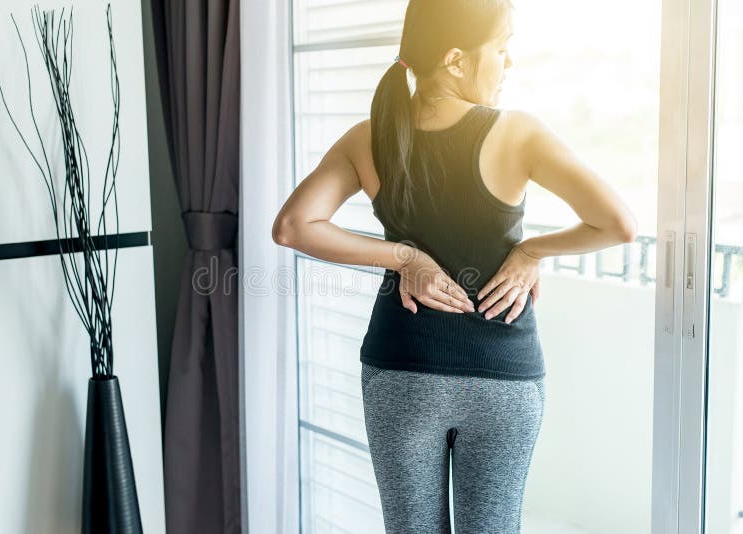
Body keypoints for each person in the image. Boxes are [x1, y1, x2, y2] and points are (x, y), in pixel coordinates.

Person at [272, 1, 637, 532]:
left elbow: (293, 226)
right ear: (456, 60)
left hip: (402, 374)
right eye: (502, 50)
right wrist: (531, 250)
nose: (508, 65)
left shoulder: (366, 137)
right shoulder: (518, 134)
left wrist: (404, 256)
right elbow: (617, 224)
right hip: (503, 382)